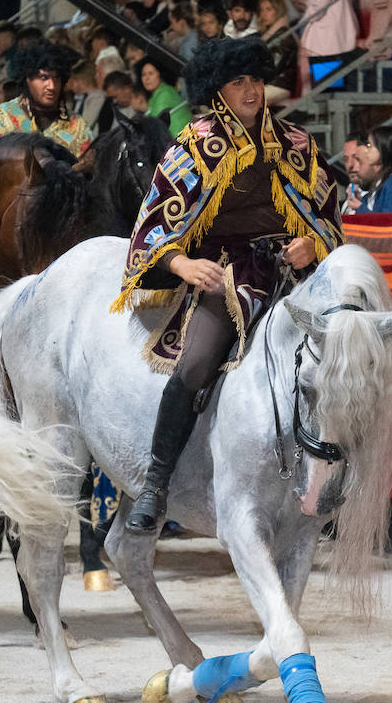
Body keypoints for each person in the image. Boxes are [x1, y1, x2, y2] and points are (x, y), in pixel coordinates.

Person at [115, 37, 342, 534]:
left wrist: (312, 244)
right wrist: (180, 265)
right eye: (238, 82)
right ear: (217, 91)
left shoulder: (297, 144)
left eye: (256, 80)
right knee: (196, 362)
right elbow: (152, 222)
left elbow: (328, 216)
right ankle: (156, 481)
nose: (251, 91)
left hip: (289, 271)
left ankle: (330, 487)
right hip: (224, 273)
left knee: (341, 358)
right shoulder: (193, 145)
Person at [0, 42, 94, 158]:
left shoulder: (77, 127)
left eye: (56, 78)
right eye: (44, 77)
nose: (52, 86)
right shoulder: (0, 120)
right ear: (28, 78)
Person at [138, 57, 192, 137]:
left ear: (160, 74)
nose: (147, 78)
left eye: (151, 73)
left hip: (182, 139)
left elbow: (155, 125)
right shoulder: (156, 95)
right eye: (143, 75)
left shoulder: (166, 93)